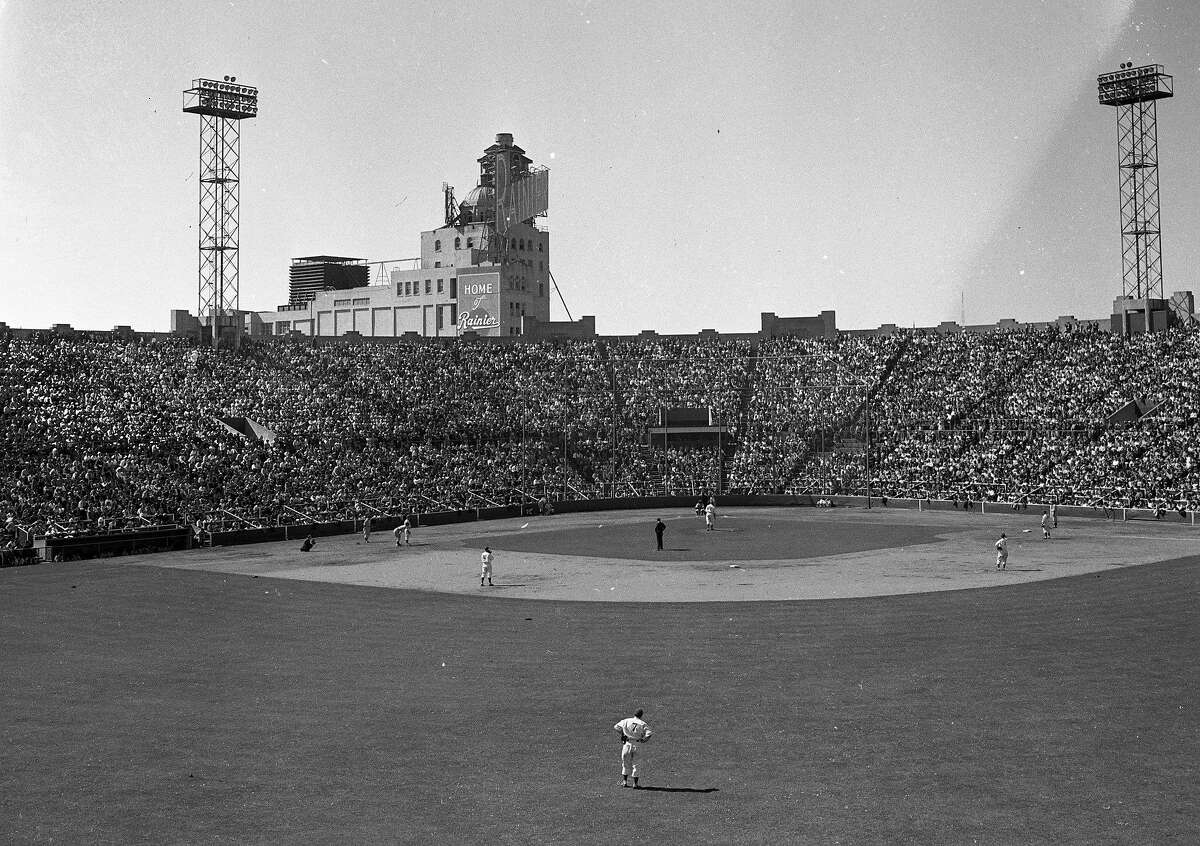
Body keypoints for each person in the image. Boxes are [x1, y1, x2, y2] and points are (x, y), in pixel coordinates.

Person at [613, 709, 653, 788]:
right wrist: (644, 739)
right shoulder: (643, 723)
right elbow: (649, 733)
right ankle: (635, 784)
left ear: (634, 714)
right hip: (637, 744)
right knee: (636, 764)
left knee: (625, 762)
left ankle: (624, 782)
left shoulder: (626, 720)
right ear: (641, 715)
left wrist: (623, 734)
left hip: (627, 744)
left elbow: (616, 727)